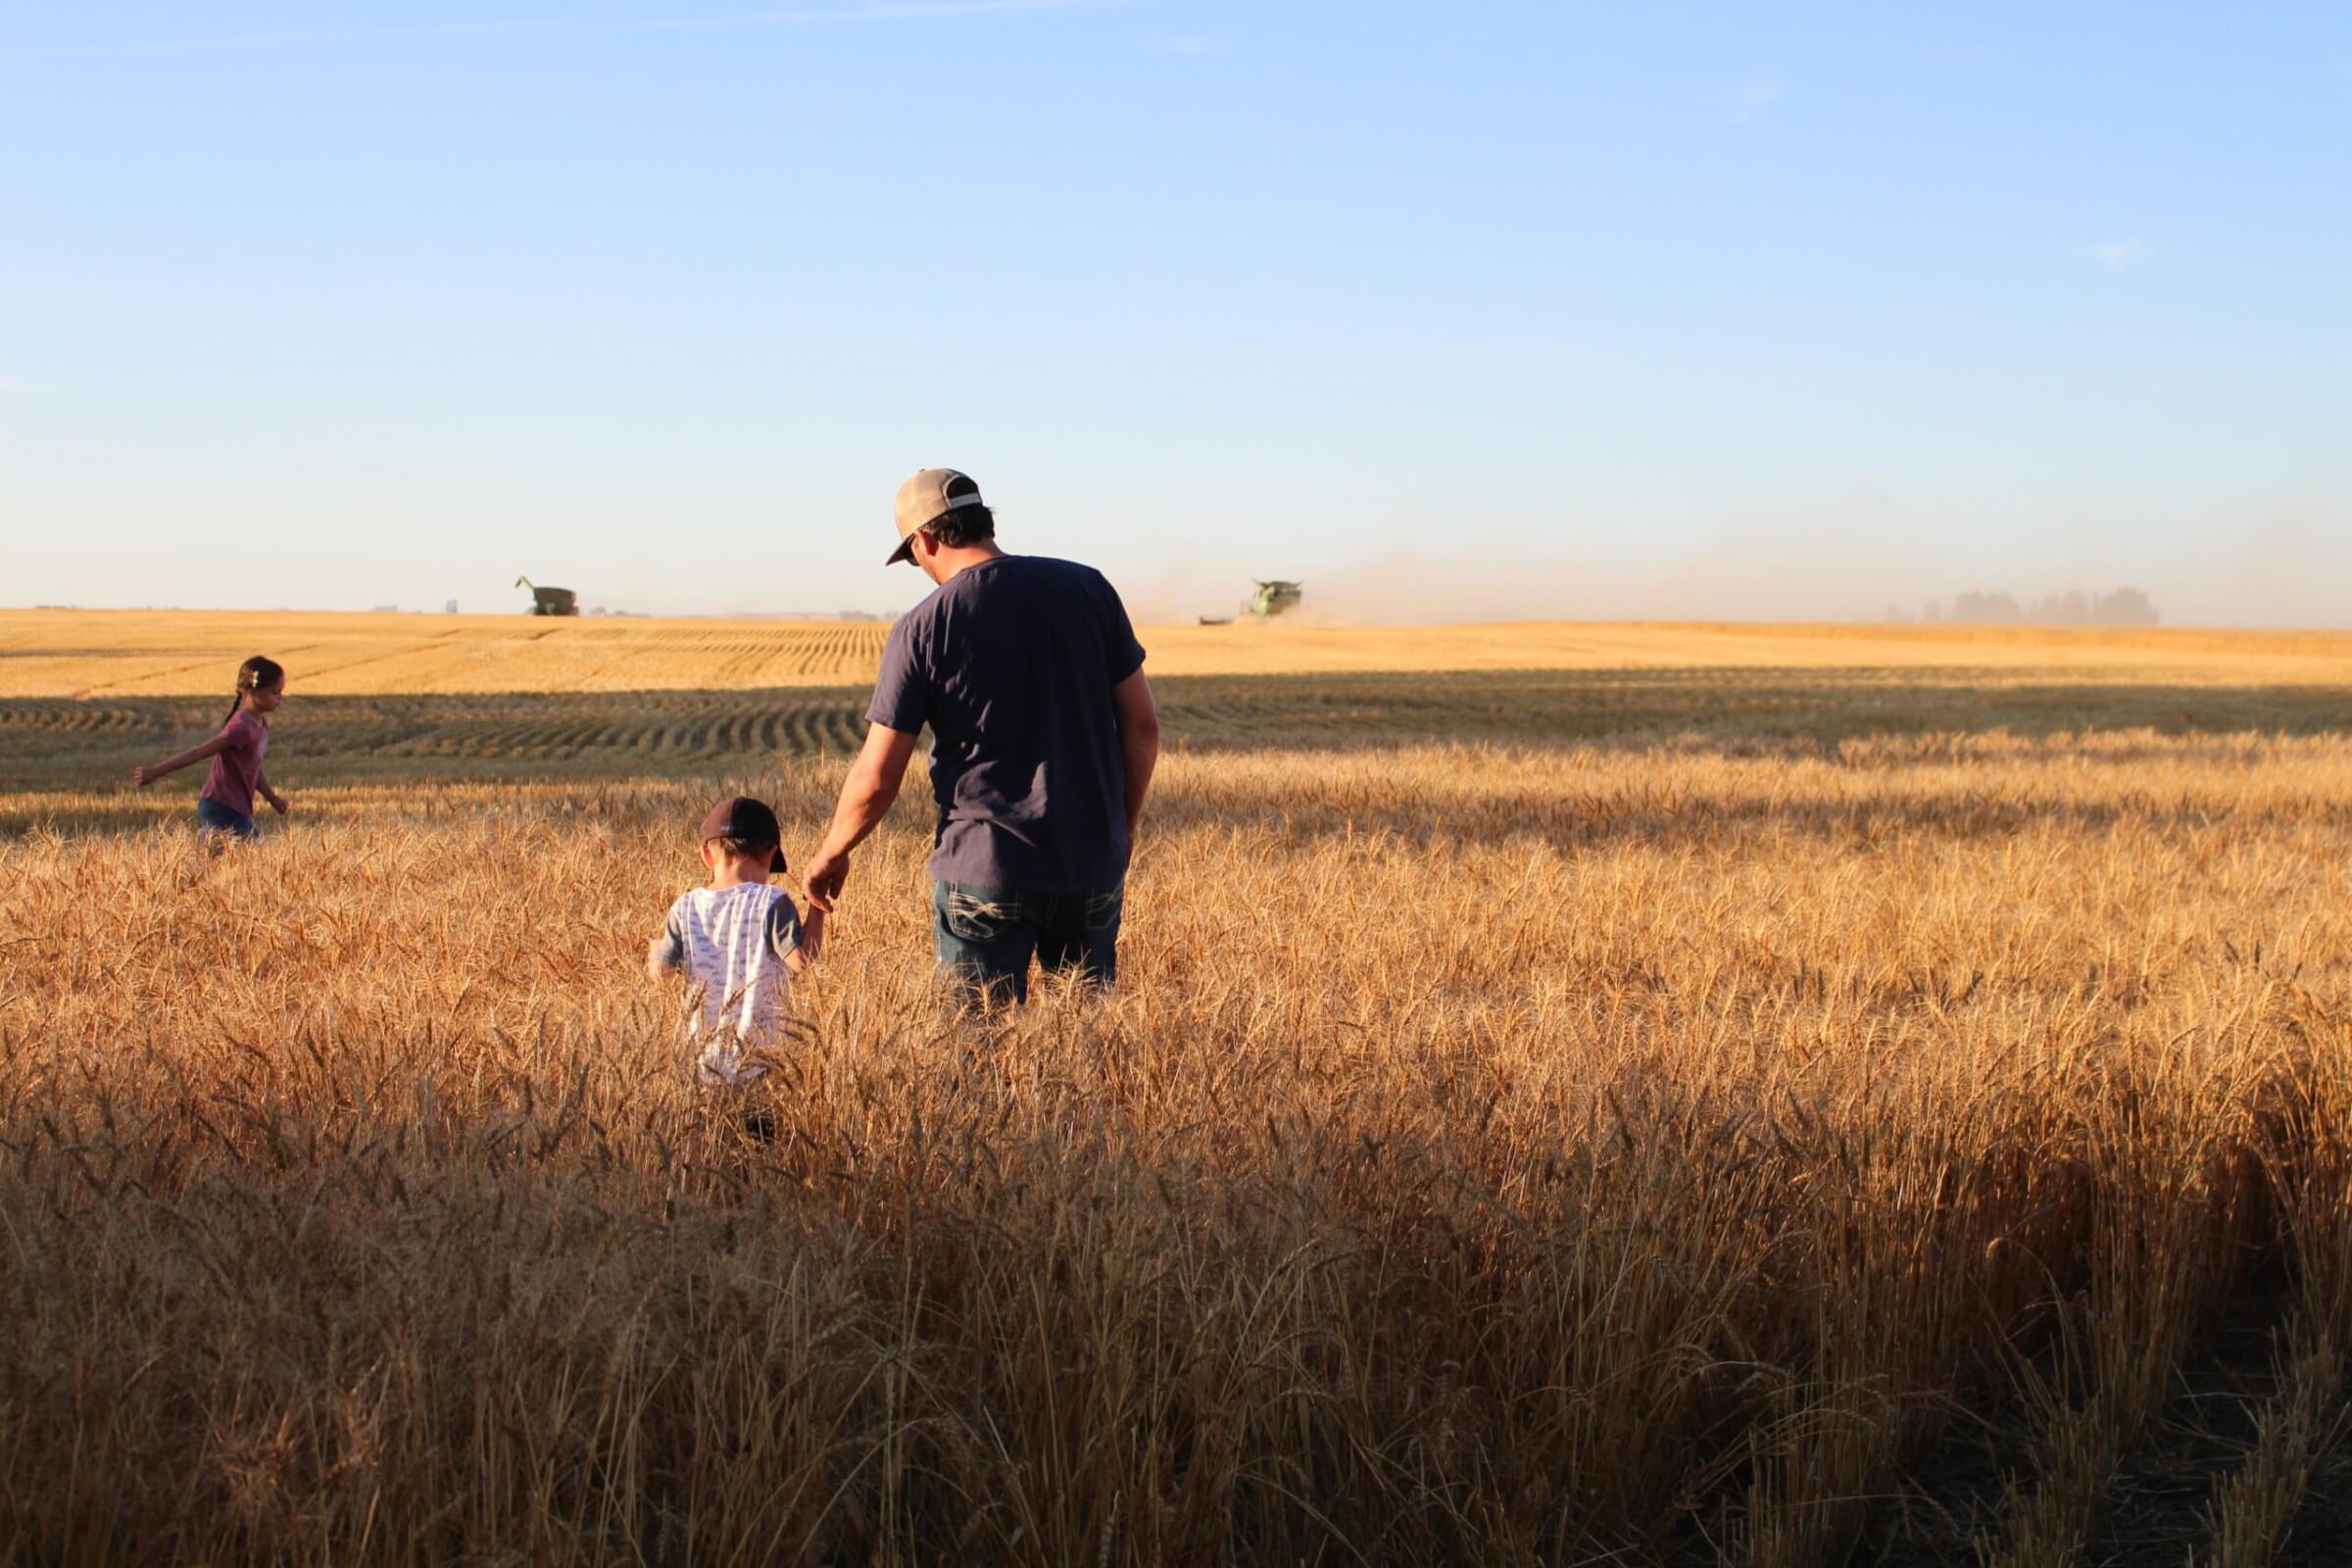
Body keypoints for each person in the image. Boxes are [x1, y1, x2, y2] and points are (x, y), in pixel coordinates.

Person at [802, 467, 1160, 1004]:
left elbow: (877, 779)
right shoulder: (1089, 589)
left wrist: (832, 851)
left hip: (983, 870)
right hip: (1090, 863)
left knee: (978, 1059)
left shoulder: (925, 625)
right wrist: (1121, 829)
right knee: (1091, 1051)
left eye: (914, 556)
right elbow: (1143, 728)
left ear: (923, 540)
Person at [647, 795, 825, 1088]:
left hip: (703, 1062)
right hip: (759, 1062)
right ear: (770, 854)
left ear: (706, 855)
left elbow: (661, 975)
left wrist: (656, 954)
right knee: (758, 1133)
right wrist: (817, 906)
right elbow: (801, 959)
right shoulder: (771, 901)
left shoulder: (685, 907)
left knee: (711, 1134)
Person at [131, 655, 289, 841]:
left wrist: (272, 798)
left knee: (220, 859)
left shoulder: (259, 724)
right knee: (253, 849)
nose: (280, 698)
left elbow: (252, 767)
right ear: (252, 690)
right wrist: (155, 772)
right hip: (221, 805)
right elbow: (198, 752)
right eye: (274, 692)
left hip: (234, 806)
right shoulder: (240, 729)